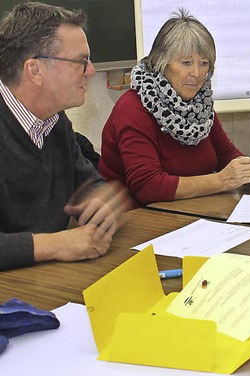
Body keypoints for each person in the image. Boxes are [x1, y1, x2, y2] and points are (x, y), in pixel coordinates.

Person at [0, 2, 130, 271]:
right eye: (81, 61)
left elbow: (92, 184)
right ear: (35, 70)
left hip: (47, 283)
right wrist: (55, 244)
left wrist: (101, 203)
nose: (91, 71)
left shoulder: (56, 121)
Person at [99, 9, 250, 208]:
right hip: (134, 221)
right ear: (162, 63)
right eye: (186, 62)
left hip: (189, 214)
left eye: (204, 63)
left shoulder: (199, 105)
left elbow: (225, 155)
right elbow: (148, 187)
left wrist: (249, 167)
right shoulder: (132, 108)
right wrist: (222, 181)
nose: (196, 73)